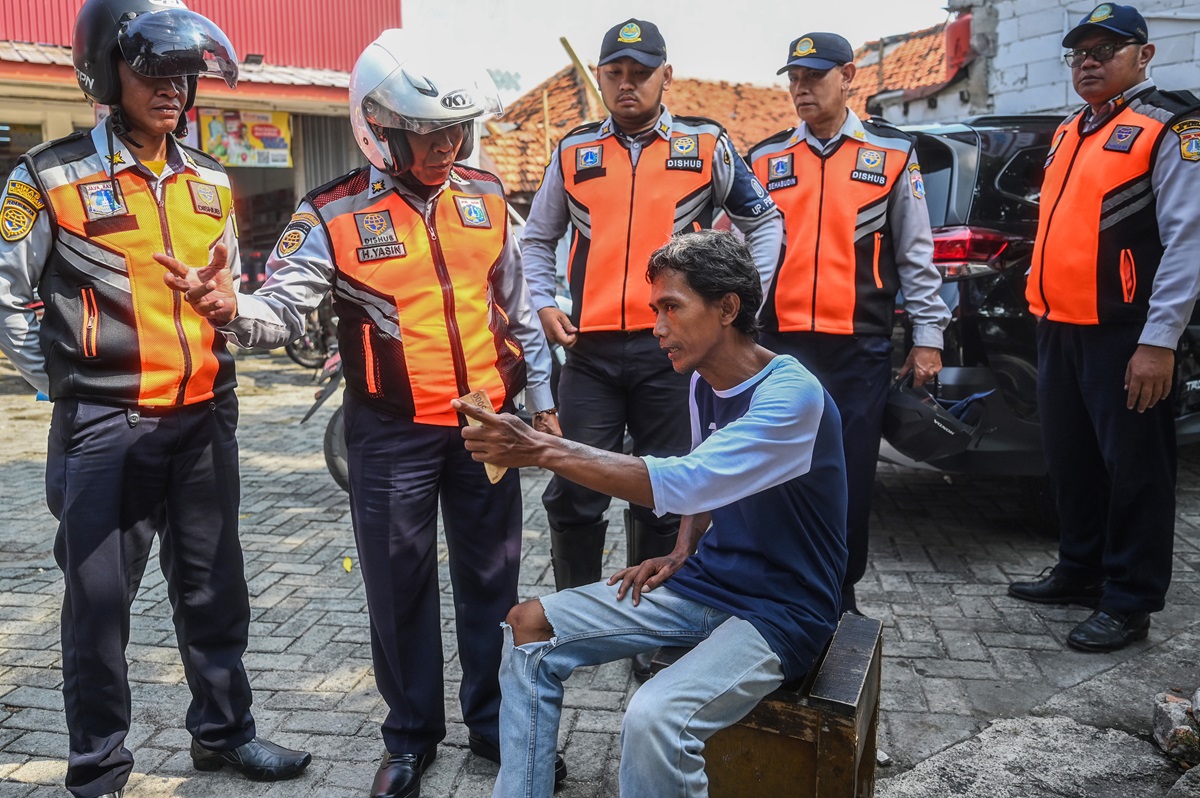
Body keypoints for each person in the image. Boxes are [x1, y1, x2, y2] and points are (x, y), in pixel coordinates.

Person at [158, 30, 560, 798]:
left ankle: (492, 726)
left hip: (487, 426)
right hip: (389, 434)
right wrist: (226, 307)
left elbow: (517, 306)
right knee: (398, 587)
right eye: (428, 132)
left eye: (456, 130)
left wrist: (538, 404)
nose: (447, 145)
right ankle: (409, 739)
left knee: (492, 582)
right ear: (380, 128)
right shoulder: (330, 213)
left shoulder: (486, 196)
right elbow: (281, 311)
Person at [0, 1, 312, 796]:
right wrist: (71, 382)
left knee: (215, 589)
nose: (173, 87)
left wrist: (227, 319)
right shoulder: (46, 176)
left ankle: (223, 733)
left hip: (206, 418)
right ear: (106, 72)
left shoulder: (209, 177)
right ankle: (98, 767)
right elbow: (7, 303)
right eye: (152, 69)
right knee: (98, 605)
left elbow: (225, 292)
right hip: (104, 426)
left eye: (184, 72)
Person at [453, 230, 848, 798]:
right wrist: (684, 548)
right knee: (528, 627)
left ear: (728, 307)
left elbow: (686, 480)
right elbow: (703, 472)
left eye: (671, 308)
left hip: (783, 612)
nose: (657, 326)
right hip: (709, 584)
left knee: (655, 716)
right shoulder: (703, 382)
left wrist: (542, 449)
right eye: (654, 309)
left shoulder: (792, 398)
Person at [521, 18, 784, 607]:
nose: (627, 85)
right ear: (600, 78)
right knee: (573, 490)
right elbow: (537, 239)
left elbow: (764, 220)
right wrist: (540, 300)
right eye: (614, 74)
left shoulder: (706, 144)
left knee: (665, 493)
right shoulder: (574, 150)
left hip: (675, 356)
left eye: (641, 74)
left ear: (667, 75)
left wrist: (745, 296)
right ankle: (576, 620)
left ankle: (650, 624)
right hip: (587, 353)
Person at [1007, 3, 1200, 652]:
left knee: (1136, 470)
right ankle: (1079, 569)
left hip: (1127, 334)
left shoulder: (1173, 124)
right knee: (1072, 462)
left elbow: (1188, 243)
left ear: (1144, 55)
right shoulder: (1071, 128)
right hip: (1059, 327)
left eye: (1105, 49)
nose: (1087, 61)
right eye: (1078, 52)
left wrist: (1159, 341)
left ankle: (1130, 601)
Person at [746, 32, 950, 614]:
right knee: (774, 468)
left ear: (849, 76)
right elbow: (740, 249)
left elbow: (916, 254)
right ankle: (778, 586)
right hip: (777, 346)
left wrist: (928, 339)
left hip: (858, 346)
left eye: (814, 75)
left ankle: (840, 590)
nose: (801, 87)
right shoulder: (765, 158)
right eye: (793, 77)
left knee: (850, 475)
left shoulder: (891, 153)